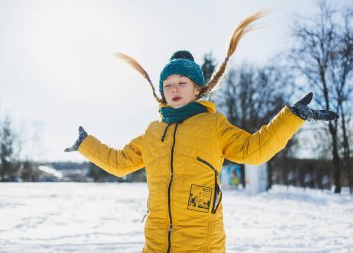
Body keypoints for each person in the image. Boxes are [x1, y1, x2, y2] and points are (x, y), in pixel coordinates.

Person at [65, 11, 338, 253]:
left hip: (201, 244)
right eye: (168, 84)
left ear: (197, 89)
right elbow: (120, 163)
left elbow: (254, 151)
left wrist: (292, 117)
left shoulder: (213, 125)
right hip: (155, 243)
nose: (174, 89)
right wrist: (85, 144)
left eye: (182, 83)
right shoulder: (152, 132)